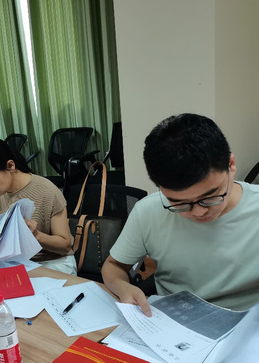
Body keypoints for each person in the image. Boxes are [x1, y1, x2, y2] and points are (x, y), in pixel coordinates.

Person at [101, 113, 259, 314]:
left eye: (210, 197)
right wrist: (124, 288)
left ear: (231, 165)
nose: (199, 212)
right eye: (180, 203)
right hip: (174, 320)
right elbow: (113, 266)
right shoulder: (148, 211)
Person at [0, 138, 76, 275]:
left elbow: (65, 246)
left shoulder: (47, 191)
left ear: (10, 166)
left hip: (52, 262)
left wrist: (36, 235)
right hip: (17, 261)